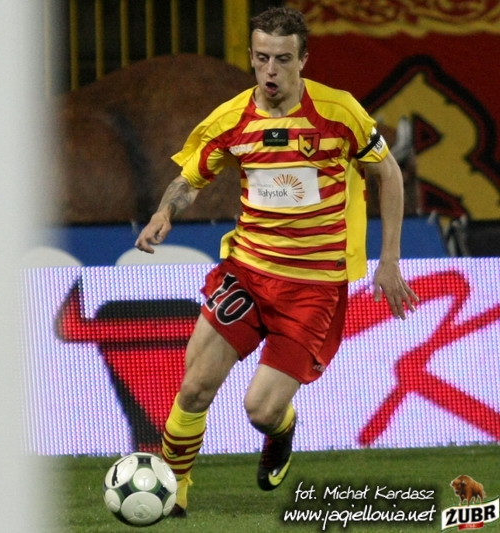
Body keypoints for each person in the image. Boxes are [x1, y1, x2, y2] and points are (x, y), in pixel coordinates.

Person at [134, 6, 420, 518]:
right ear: (251, 57)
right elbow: (189, 179)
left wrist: (389, 259)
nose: (271, 70)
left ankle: (281, 429)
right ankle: (172, 490)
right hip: (247, 272)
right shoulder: (231, 120)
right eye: (262, 58)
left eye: (283, 59)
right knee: (195, 385)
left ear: (303, 60)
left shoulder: (339, 112)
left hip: (312, 288)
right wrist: (163, 212)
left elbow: (389, 174)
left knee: (260, 410)